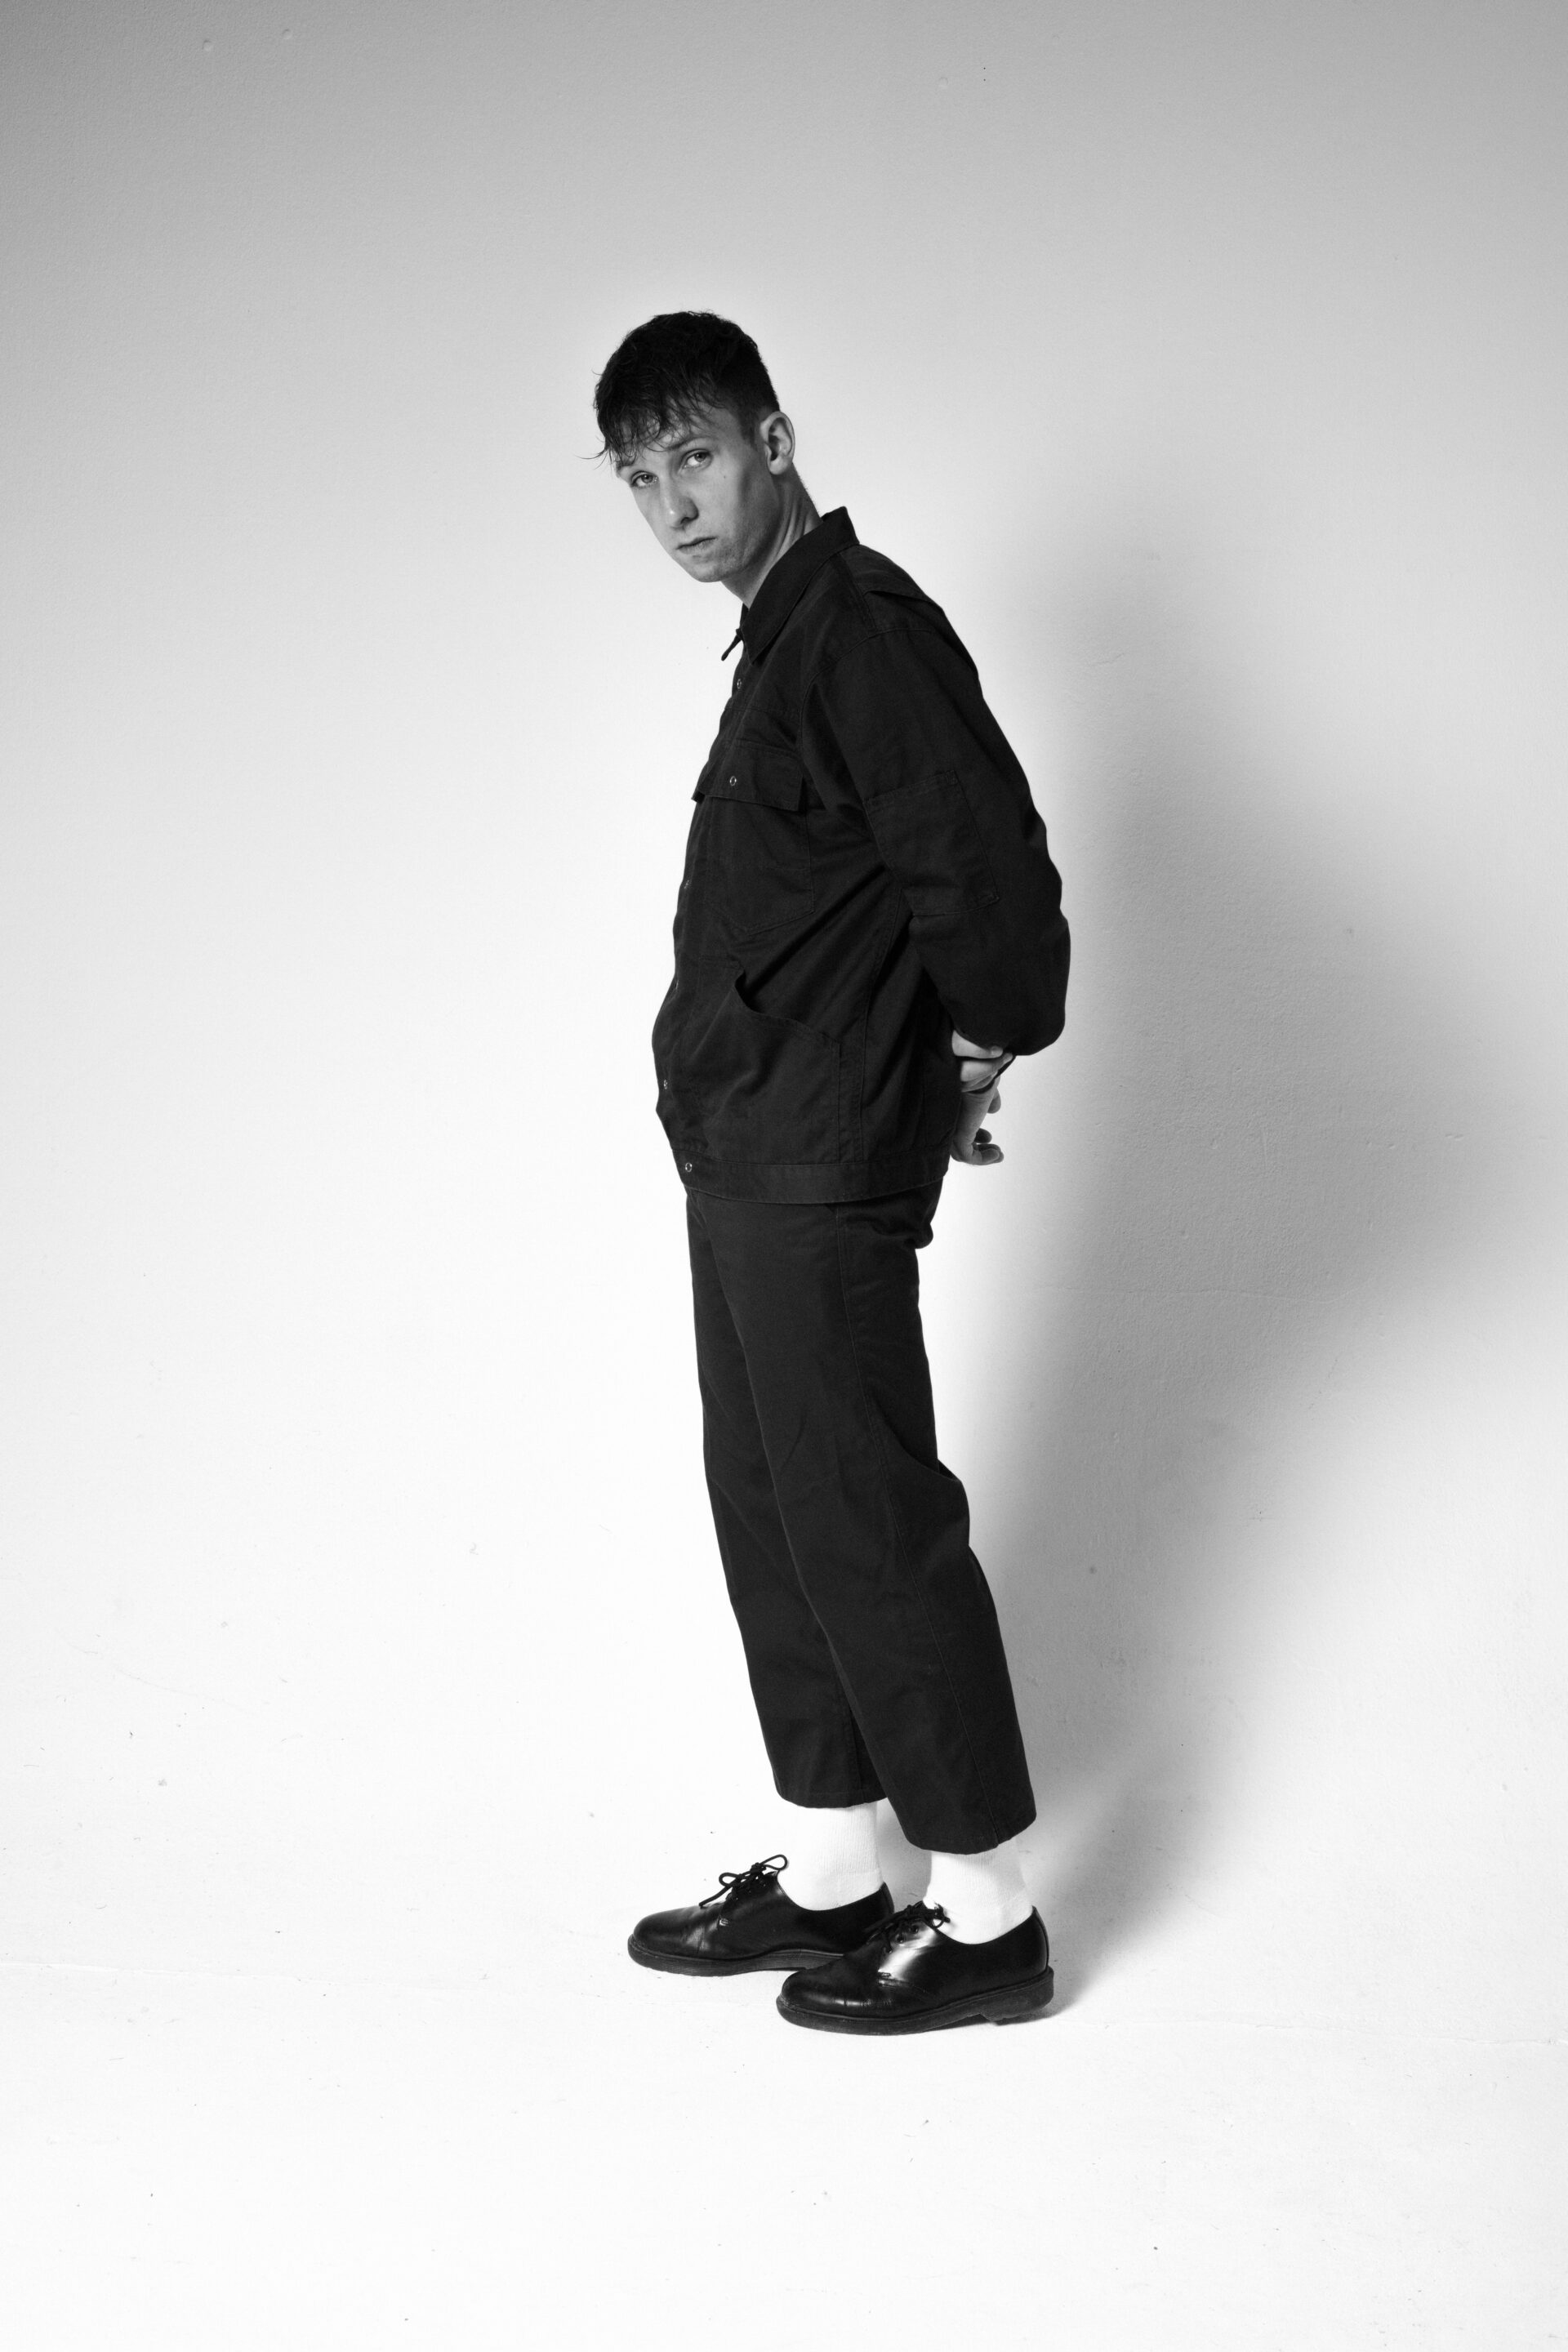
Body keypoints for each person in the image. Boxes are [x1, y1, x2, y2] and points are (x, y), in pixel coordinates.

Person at [594, 312, 1070, 2034]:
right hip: (746, 1147)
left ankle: (989, 1911)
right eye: (640, 477)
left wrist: (980, 1041)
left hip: (817, 1157)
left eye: (697, 457)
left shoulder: (861, 631)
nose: (675, 506)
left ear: (775, 443)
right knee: (774, 1510)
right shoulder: (779, 643)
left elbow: (983, 867)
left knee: (866, 1516)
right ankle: (834, 1869)